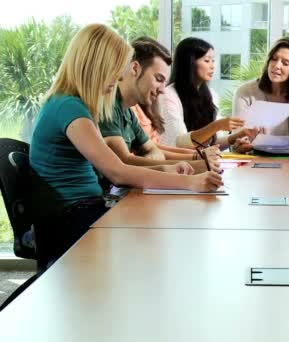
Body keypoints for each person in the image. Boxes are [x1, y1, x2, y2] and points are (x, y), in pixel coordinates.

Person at [29, 24, 223, 266]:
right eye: (115, 69)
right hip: (72, 219)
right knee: (159, 245)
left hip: (82, 211)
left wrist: (179, 172)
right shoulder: (70, 108)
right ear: (96, 66)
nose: (119, 77)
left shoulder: (69, 104)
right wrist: (189, 182)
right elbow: (117, 171)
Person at [99, 36, 220, 174]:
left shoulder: (127, 111)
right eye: (158, 79)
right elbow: (123, 161)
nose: (163, 89)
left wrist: (194, 160)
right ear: (135, 69)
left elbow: (152, 149)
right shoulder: (108, 105)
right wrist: (196, 164)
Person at [159, 37, 253, 149]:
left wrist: (238, 136)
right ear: (189, 62)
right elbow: (180, 142)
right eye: (207, 61)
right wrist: (217, 126)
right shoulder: (169, 95)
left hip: (205, 163)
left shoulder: (211, 95)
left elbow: (213, 144)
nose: (212, 66)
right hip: (181, 163)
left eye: (213, 61)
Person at [231, 36, 289, 153]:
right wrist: (240, 143)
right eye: (274, 59)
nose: (277, 66)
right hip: (252, 160)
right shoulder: (245, 92)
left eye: (285, 63)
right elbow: (237, 137)